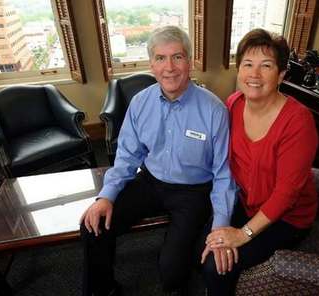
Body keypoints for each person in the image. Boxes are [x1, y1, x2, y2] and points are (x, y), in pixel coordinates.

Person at [80, 25, 236, 296]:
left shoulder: (214, 110)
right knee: (92, 227)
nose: (170, 67)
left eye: (177, 57)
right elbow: (128, 156)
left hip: (193, 192)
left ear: (189, 62)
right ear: (151, 64)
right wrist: (106, 196)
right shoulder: (140, 102)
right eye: (160, 58)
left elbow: (223, 173)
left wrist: (221, 224)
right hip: (150, 181)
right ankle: (104, 289)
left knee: (172, 271)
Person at [200, 28, 319, 296]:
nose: (254, 75)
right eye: (247, 65)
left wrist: (243, 234)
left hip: (287, 218)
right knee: (206, 244)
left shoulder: (298, 121)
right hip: (246, 203)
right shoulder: (233, 104)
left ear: (281, 75)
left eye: (266, 66)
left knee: (216, 265)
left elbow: (287, 194)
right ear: (238, 70)